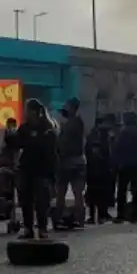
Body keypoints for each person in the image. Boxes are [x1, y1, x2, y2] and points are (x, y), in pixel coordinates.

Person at [10, 98, 58, 239]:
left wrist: (52, 174)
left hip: (42, 170)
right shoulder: (24, 128)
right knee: (25, 200)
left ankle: (42, 228)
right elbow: (16, 142)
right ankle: (28, 228)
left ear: (34, 112)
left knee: (42, 201)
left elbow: (51, 152)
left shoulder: (48, 128)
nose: (25, 113)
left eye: (27, 110)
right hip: (26, 169)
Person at [55, 98, 87, 230]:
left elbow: (63, 144)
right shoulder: (79, 123)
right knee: (78, 193)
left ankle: (58, 218)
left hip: (67, 162)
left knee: (61, 192)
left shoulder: (70, 125)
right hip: (79, 162)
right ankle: (80, 219)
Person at [112, 111, 137, 223]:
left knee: (122, 190)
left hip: (125, 164)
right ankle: (135, 214)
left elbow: (118, 148)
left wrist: (116, 163)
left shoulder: (124, 133)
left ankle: (121, 214)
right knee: (135, 189)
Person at [85, 113, 116, 223]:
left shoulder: (93, 136)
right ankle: (99, 214)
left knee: (95, 193)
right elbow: (105, 153)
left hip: (94, 170)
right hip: (100, 170)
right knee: (100, 192)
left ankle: (96, 215)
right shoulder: (102, 136)